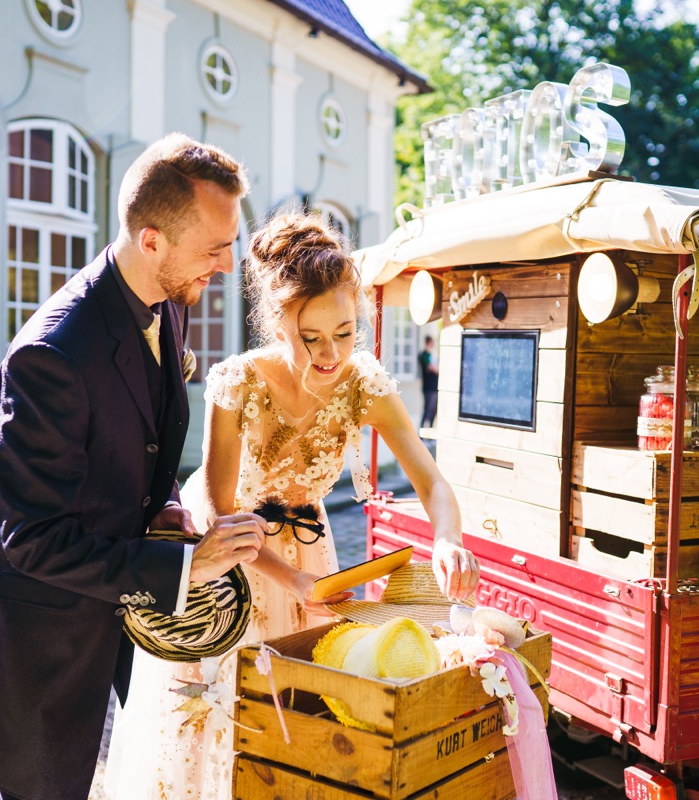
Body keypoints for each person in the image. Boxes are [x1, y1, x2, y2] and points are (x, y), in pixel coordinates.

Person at [0, 134, 270, 800]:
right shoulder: (50, 355)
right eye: (214, 249)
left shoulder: (167, 302)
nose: (226, 266)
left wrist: (169, 507)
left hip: (116, 610)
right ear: (151, 241)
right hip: (41, 637)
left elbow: (141, 439)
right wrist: (184, 569)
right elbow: (27, 538)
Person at [104, 211, 480, 799]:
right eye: (312, 338)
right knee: (219, 713)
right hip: (232, 565)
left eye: (347, 332)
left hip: (312, 555)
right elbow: (214, 509)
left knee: (304, 718)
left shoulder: (367, 384)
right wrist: (291, 581)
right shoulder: (238, 382)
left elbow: (432, 483)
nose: (332, 354)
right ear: (279, 324)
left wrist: (448, 539)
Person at [419, 334, 440, 428]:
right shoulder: (424, 355)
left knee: (433, 410)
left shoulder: (432, 355)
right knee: (427, 409)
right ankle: (421, 433)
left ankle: (430, 431)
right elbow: (433, 368)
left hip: (434, 386)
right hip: (428, 388)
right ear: (429, 343)